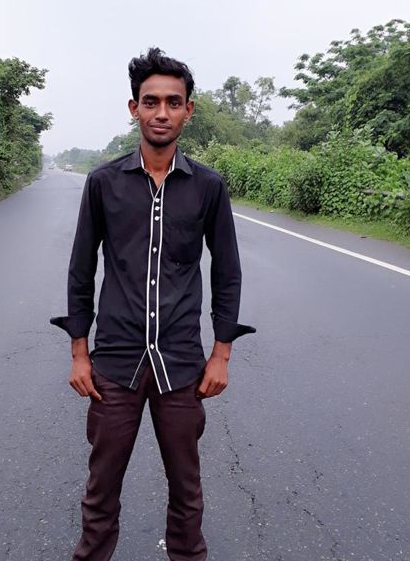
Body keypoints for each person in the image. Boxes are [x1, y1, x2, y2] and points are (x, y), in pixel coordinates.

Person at [50, 47, 255, 561]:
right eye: (150, 101)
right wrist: (79, 353)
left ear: (188, 110)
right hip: (114, 364)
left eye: (172, 102)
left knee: (187, 490)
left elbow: (227, 272)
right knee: (101, 489)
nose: (161, 112)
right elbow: (81, 269)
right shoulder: (103, 183)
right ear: (134, 108)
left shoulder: (208, 187)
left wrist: (221, 354)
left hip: (181, 365)